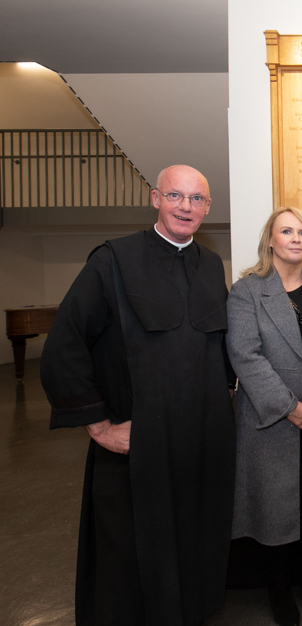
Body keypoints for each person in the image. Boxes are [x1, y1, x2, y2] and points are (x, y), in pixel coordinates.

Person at [40, 165, 236, 626]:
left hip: (199, 443)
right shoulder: (112, 260)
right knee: (128, 552)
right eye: (176, 195)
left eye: (197, 200)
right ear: (155, 198)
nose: (186, 207)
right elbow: (65, 343)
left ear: (207, 209)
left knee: (195, 536)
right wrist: (99, 424)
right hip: (138, 443)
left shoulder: (210, 266)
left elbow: (220, 349)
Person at [227, 208, 302, 626]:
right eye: (287, 231)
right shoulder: (247, 291)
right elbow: (245, 356)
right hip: (271, 419)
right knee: (274, 510)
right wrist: (290, 407)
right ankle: (278, 591)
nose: (296, 238)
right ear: (270, 241)